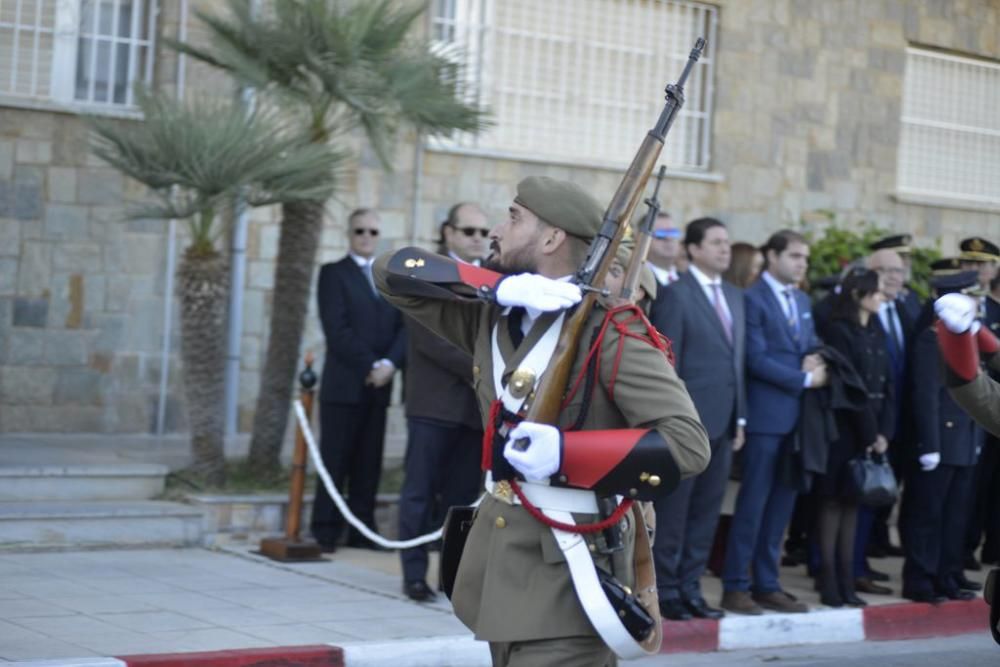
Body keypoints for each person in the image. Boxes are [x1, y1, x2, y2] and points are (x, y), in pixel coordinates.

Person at [374, 176, 710, 666]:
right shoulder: (491, 316)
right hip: (500, 571)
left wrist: (565, 454)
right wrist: (496, 285)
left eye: (513, 218)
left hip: (569, 577)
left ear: (551, 239)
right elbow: (392, 272)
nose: (495, 230)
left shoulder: (611, 333)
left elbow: (688, 444)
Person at [720, 229, 826, 616]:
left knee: (782, 506)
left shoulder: (801, 298)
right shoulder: (752, 298)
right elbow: (755, 358)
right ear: (774, 256)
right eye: (796, 256)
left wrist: (815, 360)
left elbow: (811, 343)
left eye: (805, 258)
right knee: (753, 505)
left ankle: (768, 583)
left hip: (797, 420)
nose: (802, 264)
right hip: (765, 417)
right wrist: (802, 377)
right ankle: (735, 585)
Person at [652, 217, 746, 621]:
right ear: (692, 249)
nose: (725, 249)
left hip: (725, 427)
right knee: (675, 514)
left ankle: (691, 588)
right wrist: (672, 421)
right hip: (686, 427)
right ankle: (667, 590)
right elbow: (666, 366)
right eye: (716, 242)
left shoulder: (735, 295)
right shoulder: (676, 295)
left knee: (707, 513)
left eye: (727, 242)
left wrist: (740, 419)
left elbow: (735, 363)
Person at [397, 203, 490, 602]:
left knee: (462, 499)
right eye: (468, 230)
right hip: (434, 405)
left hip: (474, 410)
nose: (477, 239)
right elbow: (431, 339)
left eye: (483, 232)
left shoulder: (493, 278)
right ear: (447, 232)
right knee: (419, 494)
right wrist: (488, 368)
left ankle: (451, 577)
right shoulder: (425, 273)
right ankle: (414, 575)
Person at [311, 208, 406, 552]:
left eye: (372, 232)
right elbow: (336, 329)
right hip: (345, 385)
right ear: (349, 234)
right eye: (359, 231)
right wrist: (372, 364)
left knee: (369, 462)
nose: (366, 237)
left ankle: (361, 530)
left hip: (380, 387)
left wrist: (391, 364)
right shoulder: (333, 273)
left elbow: (403, 328)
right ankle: (325, 529)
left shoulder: (389, 279)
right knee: (335, 459)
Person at [813, 268, 894, 607]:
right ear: (859, 295)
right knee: (833, 502)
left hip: (871, 427)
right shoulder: (839, 329)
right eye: (876, 292)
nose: (882, 297)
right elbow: (851, 385)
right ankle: (829, 580)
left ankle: (847, 580)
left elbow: (888, 384)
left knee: (852, 504)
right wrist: (870, 432)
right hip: (843, 427)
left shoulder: (875, 329)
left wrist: (883, 432)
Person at [902, 266, 983, 603]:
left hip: (965, 438)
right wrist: (930, 444)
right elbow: (926, 394)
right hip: (941, 439)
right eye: (968, 296)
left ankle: (947, 575)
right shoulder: (931, 338)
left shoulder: (967, 336)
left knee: (955, 514)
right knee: (928, 514)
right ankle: (920, 579)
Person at [870, 234, 922, 323]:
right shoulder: (867, 301)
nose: (906, 263)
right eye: (900, 257)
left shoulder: (910, 296)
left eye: (907, 257)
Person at [645, 213, 683, 325]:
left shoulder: (689, 281)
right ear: (641, 239)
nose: (669, 238)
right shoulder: (637, 281)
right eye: (661, 234)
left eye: (673, 233)